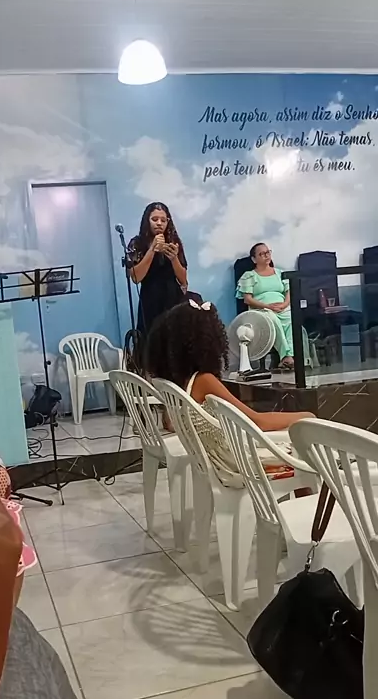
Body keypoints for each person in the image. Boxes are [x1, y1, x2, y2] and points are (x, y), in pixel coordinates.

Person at [146, 300, 314, 486]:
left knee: (294, 447)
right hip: (235, 466)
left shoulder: (178, 383)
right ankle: (309, 500)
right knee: (307, 452)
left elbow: (170, 424)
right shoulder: (204, 381)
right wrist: (306, 417)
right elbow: (257, 421)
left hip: (216, 462)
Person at [236, 243, 311, 370]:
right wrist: (268, 306)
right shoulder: (249, 276)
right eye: (262, 254)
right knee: (272, 320)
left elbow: (289, 292)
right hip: (261, 310)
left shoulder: (280, 273)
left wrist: (284, 304)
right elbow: (248, 299)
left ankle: (294, 358)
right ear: (254, 259)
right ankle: (286, 356)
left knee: (292, 320)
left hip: (282, 308)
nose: (266, 256)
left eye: (268, 252)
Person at [128, 202, 187, 339]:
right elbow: (136, 277)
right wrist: (152, 250)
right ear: (147, 221)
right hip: (150, 301)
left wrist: (174, 258)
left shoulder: (174, 241)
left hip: (173, 300)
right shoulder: (137, 243)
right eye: (154, 219)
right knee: (150, 341)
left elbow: (183, 279)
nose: (159, 223)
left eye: (163, 220)